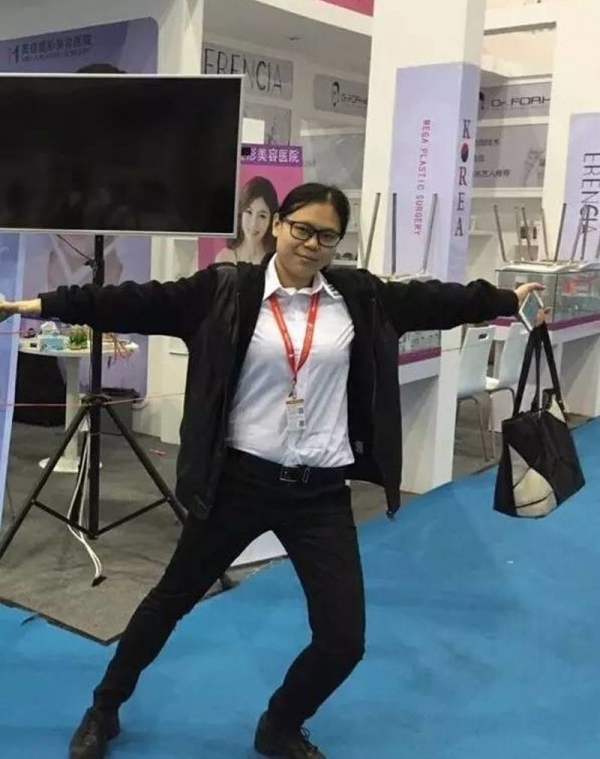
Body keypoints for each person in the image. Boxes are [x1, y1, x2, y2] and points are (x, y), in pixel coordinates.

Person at [0, 183, 545, 759]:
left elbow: (438, 300)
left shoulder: (359, 297)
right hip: (237, 483)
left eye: (327, 236)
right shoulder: (225, 291)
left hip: (320, 494)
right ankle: (104, 708)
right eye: (302, 229)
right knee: (169, 602)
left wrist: (506, 299)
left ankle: (280, 723)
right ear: (279, 225)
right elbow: (130, 300)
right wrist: (29, 306)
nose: (311, 244)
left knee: (343, 641)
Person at [215, 175, 279, 265]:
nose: (253, 223)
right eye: (249, 212)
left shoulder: (276, 261)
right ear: (240, 213)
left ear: (271, 220)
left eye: (262, 216)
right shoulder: (225, 258)